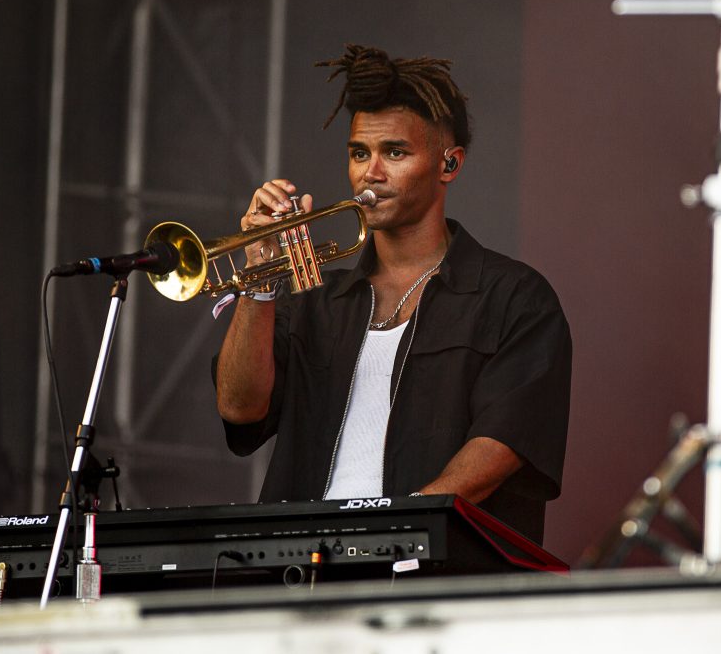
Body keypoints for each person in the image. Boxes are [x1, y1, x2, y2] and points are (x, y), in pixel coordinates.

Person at [213, 44, 570, 543]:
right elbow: (239, 408)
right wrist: (259, 278)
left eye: (394, 153)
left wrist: (394, 532)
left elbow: (501, 445)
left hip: (432, 565)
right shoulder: (312, 300)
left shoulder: (515, 298)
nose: (371, 173)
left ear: (449, 164)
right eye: (359, 153)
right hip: (302, 564)